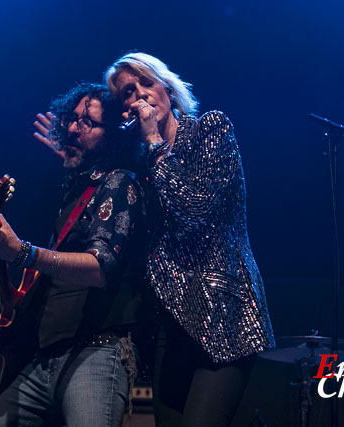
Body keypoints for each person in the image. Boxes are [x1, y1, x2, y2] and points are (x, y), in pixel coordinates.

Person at [103, 52, 276, 426]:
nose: (140, 97)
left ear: (166, 87)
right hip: (167, 329)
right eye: (128, 93)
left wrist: (152, 141)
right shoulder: (138, 166)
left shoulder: (210, 131)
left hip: (222, 318)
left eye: (146, 84)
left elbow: (194, 210)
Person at [0, 82, 147, 427]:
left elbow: (99, 268)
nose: (71, 128)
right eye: (73, 119)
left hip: (96, 354)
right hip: (44, 359)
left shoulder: (120, 182)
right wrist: (4, 345)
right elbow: (44, 289)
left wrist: (20, 252)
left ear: (112, 136)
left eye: (88, 123)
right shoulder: (79, 193)